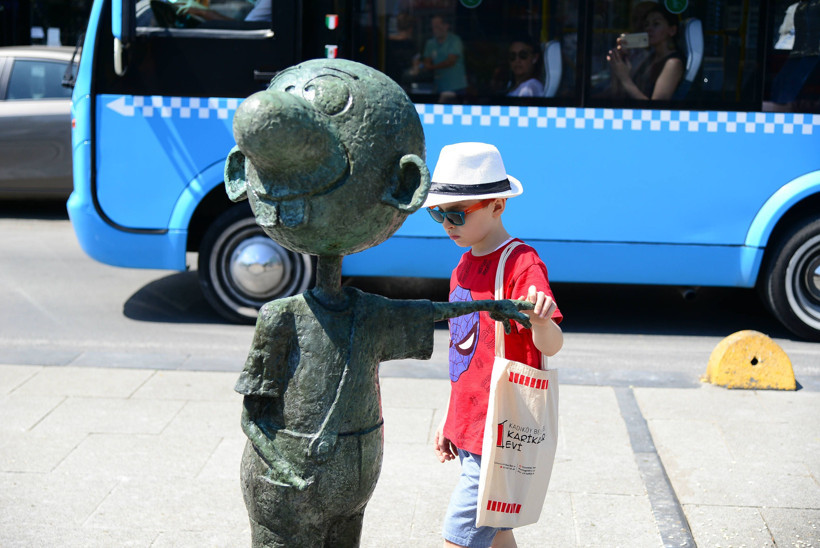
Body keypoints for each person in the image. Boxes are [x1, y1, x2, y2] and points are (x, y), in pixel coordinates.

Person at [425, 142, 564, 548]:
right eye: (438, 213)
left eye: (457, 214)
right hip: (471, 424)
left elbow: (552, 345)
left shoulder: (521, 263)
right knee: (499, 532)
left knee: (458, 538)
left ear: (498, 205)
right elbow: (463, 356)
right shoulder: (461, 267)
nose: (447, 224)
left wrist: (540, 320)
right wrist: (451, 417)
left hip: (501, 427)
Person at [607, 4, 684, 100]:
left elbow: (656, 107)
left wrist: (625, 78)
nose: (649, 29)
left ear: (672, 30)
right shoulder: (650, 58)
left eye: (656, 24)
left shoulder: (673, 63)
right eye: (646, 25)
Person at [419, 15, 468, 102]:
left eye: (438, 26)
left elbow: (451, 61)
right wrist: (424, 66)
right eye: (433, 27)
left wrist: (431, 67)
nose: (435, 30)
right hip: (439, 87)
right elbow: (427, 61)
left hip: (456, 86)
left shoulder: (455, 40)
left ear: (446, 26)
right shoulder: (430, 43)